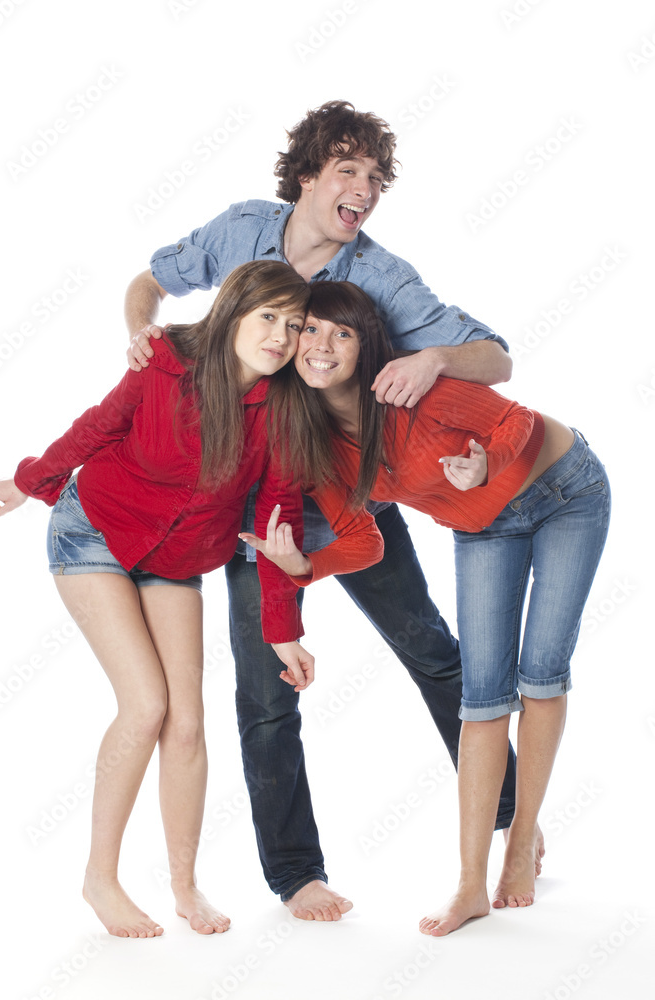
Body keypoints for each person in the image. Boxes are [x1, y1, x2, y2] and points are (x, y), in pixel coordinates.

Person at [124, 100, 524, 921]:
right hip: (254, 510)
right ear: (307, 175)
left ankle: (512, 818)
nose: (364, 190)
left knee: (433, 653)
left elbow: (497, 358)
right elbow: (150, 281)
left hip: (352, 494)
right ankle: (296, 874)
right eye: (348, 170)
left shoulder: (380, 275)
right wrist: (139, 330)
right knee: (267, 694)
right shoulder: (242, 230)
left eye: (375, 178)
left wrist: (435, 359)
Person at [0, 261, 382, 940]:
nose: (281, 337)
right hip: (94, 532)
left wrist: (283, 631)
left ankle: (185, 886)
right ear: (233, 312)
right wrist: (27, 481)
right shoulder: (164, 362)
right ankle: (99, 880)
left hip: (178, 560)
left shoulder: (283, 411)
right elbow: (99, 427)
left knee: (187, 723)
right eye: (268, 317)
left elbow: (276, 524)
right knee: (146, 706)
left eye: (293, 324)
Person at [243, 280, 610, 936]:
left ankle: (520, 841)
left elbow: (516, 420)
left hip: (566, 491)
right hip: (485, 527)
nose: (322, 345)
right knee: (483, 694)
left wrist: (487, 463)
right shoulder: (319, 445)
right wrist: (304, 567)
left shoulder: (408, 390)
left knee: (540, 673)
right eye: (311, 330)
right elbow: (363, 539)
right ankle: (470, 886)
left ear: (365, 346)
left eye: (342, 333)